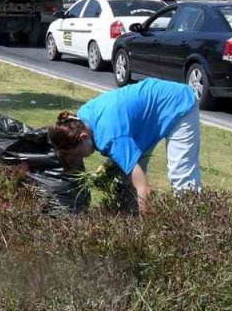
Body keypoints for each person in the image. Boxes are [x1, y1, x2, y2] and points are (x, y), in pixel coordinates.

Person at [49, 78, 201, 213]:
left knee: (181, 177)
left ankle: (193, 226)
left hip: (178, 103)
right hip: (146, 114)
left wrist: (147, 233)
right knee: (124, 177)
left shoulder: (110, 138)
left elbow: (144, 189)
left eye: (79, 154)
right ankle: (128, 219)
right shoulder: (82, 116)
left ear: (83, 137)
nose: (84, 157)